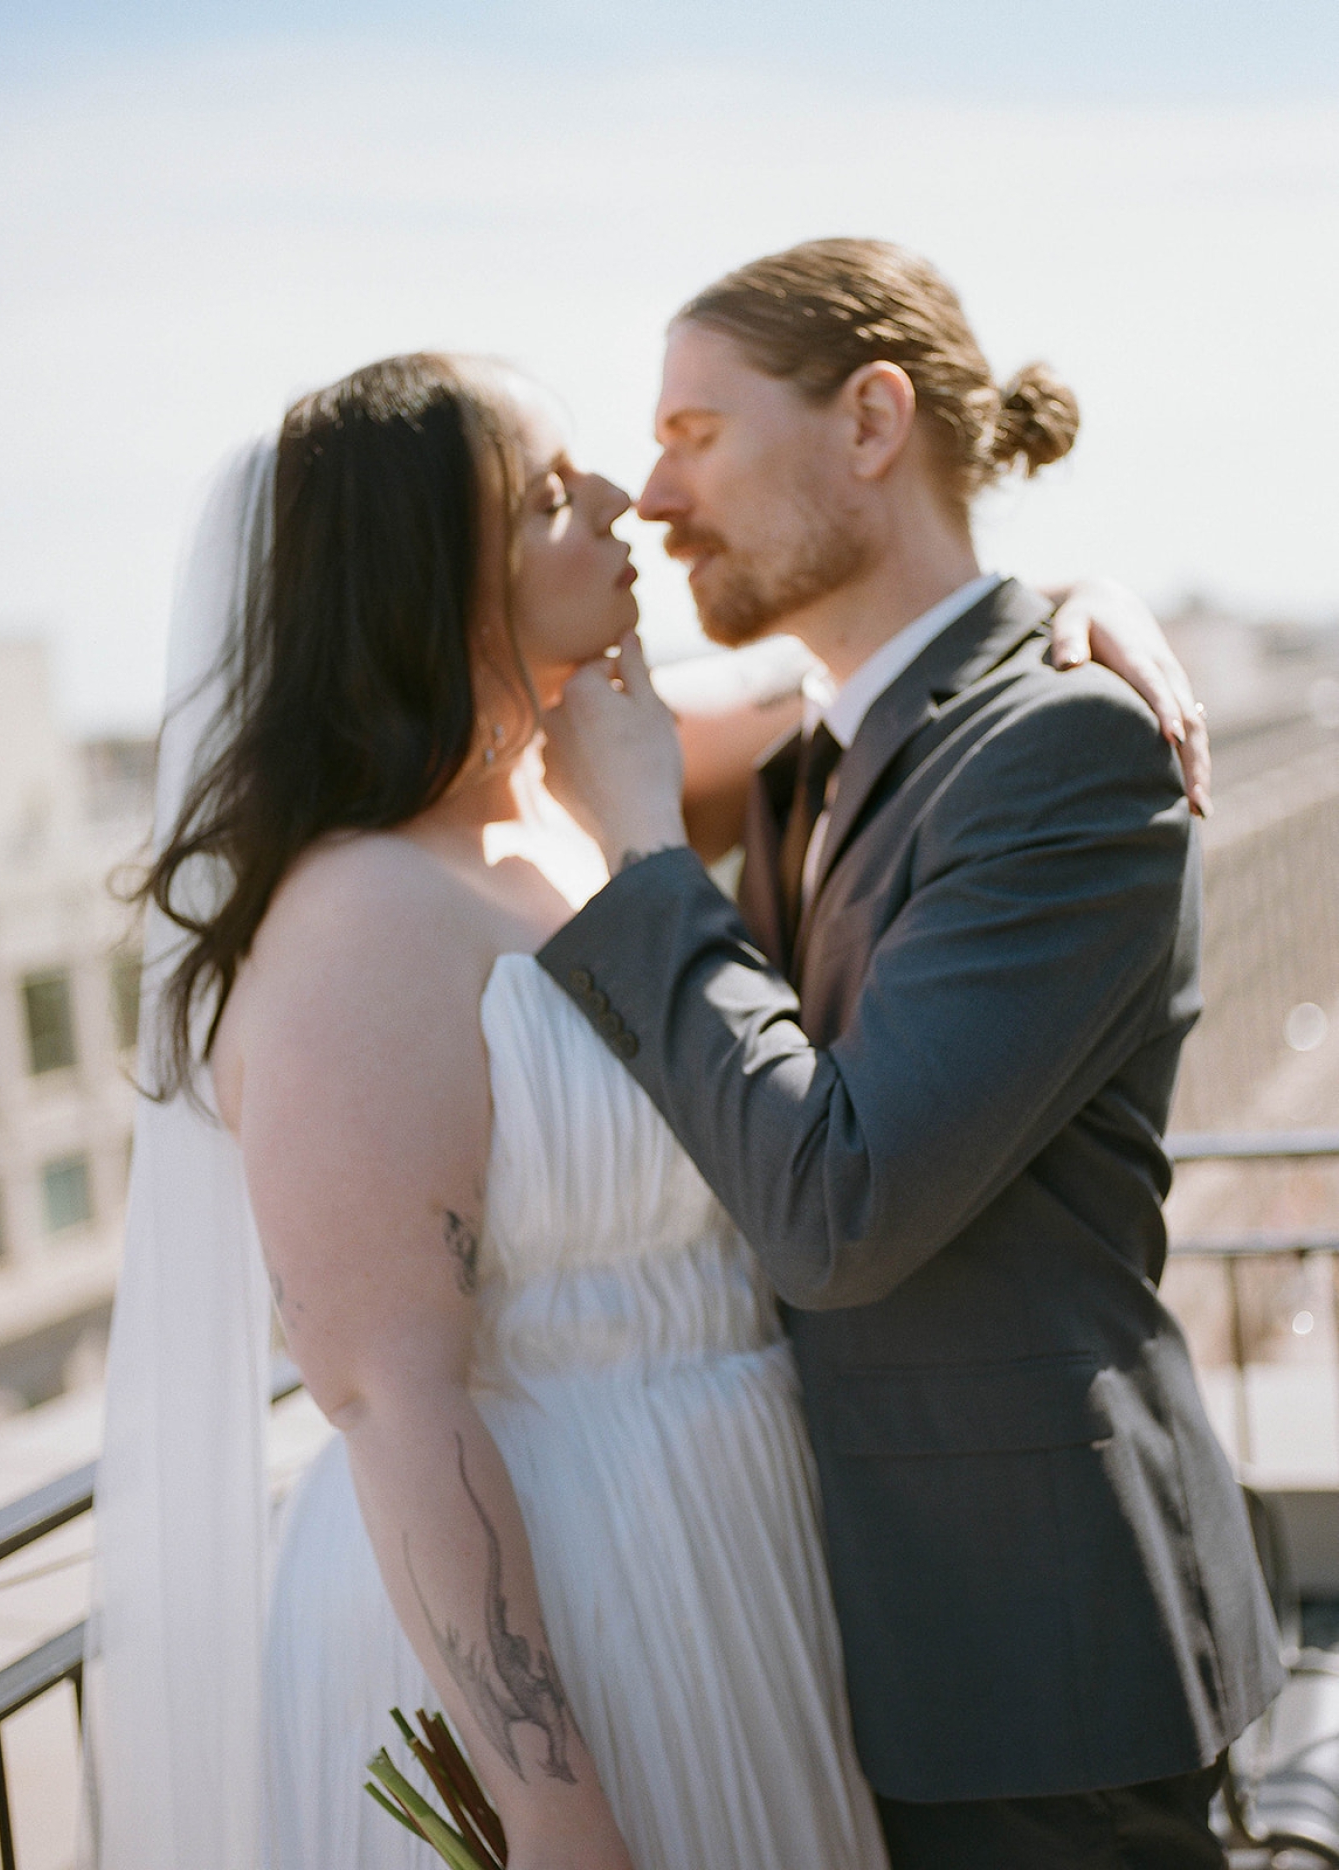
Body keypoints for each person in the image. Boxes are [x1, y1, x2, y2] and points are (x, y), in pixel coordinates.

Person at [82, 343, 1217, 1870]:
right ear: (442, 578)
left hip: (730, 1568)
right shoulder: (358, 913)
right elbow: (387, 1402)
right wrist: (554, 1812)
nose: (618, 500)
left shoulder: (579, 794)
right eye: (552, 496)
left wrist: (1091, 603)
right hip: (578, 1621)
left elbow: (901, 674)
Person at [536, 238, 1284, 1870]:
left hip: (1037, 1650)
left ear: (874, 420)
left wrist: (653, 848)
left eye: (695, 433)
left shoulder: (1071, 743)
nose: (653, 499)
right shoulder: (823, 744)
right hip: (858, 1633)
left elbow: (844, 1207)